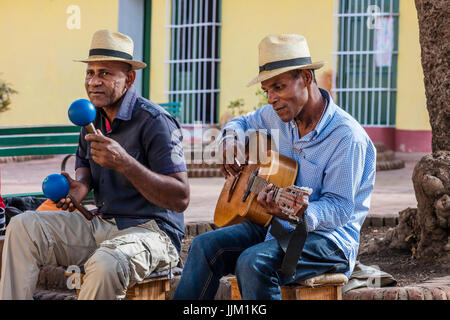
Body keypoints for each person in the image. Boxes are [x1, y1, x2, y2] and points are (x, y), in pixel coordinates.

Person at [174, 34, 376, 300]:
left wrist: (299, 211)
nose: (271, 99)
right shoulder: (276, 116)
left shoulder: (346, 136)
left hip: (329, 241)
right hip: (275, 224)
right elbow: (241, 123)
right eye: (266, 91)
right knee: (203, 246)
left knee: (253, 262)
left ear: (305, 77)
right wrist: (229, 141)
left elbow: (339, 209)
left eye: (278, 87)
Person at [0, 30, 190, 300]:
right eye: (90, 73)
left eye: (105, 73)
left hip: (153, 232)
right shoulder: (92, 118)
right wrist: (79, 186)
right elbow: (85, 169)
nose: (94, 82)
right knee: (22, 227)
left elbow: (180, 198)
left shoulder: (155, 121)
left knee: (105, 264)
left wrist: (126, 163)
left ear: (129, 78)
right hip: (102, 225)